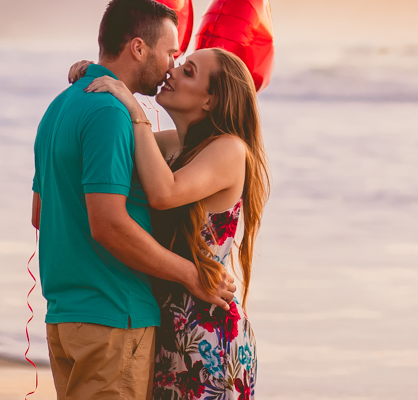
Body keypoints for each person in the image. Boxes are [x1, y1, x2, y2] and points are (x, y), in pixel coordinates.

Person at [32, 0, 236, 400]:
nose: (171, 66)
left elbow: (41, 214)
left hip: (66, 317)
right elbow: (108, 224)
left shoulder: (60, 106)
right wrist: (190, 274)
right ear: (139, 48)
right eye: (171, 53)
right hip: (114, 315)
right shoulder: (110, 112)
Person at [67, 46, 269, 400]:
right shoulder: (173, 145)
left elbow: (164, 193)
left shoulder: (230, 149)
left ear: (210, 100)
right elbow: (111, 148)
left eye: (188, 71)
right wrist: (96, 74)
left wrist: (135, 109)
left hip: (208, 333)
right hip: (166, 325)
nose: (172, 70)